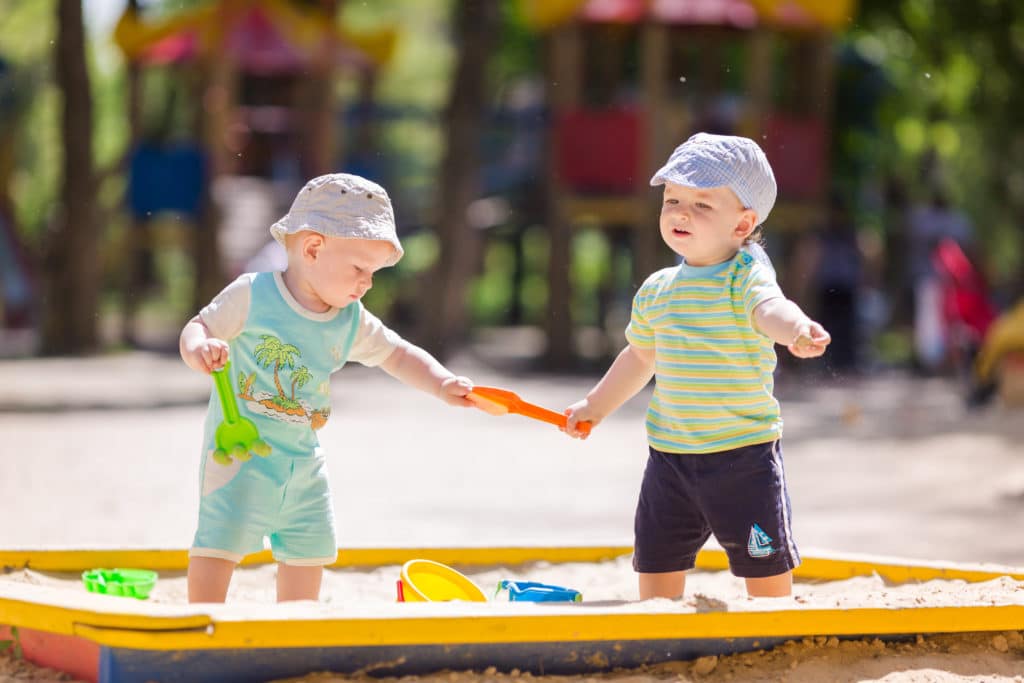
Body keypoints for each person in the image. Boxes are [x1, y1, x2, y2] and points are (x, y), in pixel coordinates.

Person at [179, 174, 475, 603]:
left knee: (308, 547)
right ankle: (202, 617)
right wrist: (198, 350)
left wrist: (441, 382)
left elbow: (397, 354)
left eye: (373, 273)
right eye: (359, 269)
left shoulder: (349, 318)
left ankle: (296, 622)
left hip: (303, 460)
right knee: (220, 542)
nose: (367, 284)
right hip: (240, 456)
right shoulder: (253, 295)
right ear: (313, 248)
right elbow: (199, 326)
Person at [562, 133, 830, 600]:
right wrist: (595, 404)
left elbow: (770, 308)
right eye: (673, 199)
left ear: (743, 224)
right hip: (670, 457)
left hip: (743, 454)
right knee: (657, 557)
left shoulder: (744, 276)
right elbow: (641, 356)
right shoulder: (658, 289)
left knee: (764, 567)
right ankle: (660, 623)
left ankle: (772, 626)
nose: (681, 212)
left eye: (703, 204)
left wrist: (796, 330)